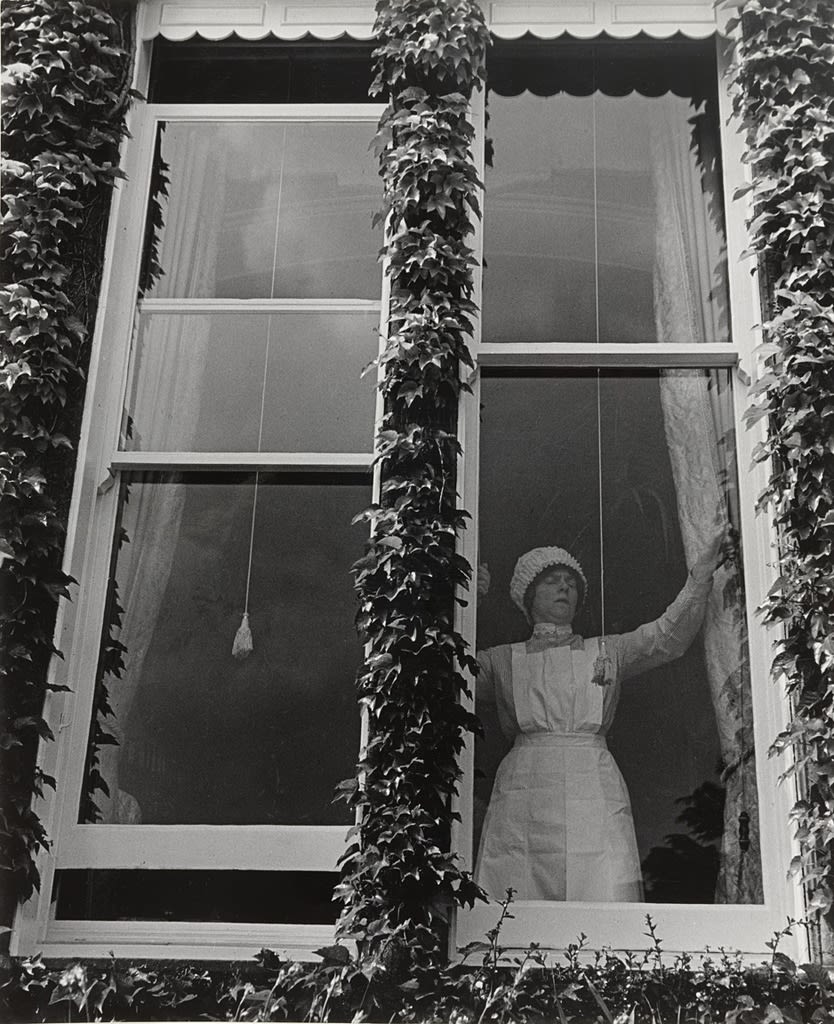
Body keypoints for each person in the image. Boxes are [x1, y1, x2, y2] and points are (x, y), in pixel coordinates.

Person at [474, 527, 724, 902]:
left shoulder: (606, 651)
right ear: (528, 596)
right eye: (552, 581)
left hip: (591, 782)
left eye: (571, 583)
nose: (564, 588)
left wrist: (699, 578)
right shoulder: (501, 661)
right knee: (514, 899)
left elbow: (665, 639)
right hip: (523, 790)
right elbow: (445, 679)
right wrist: (465, 603)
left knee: (601, 890)